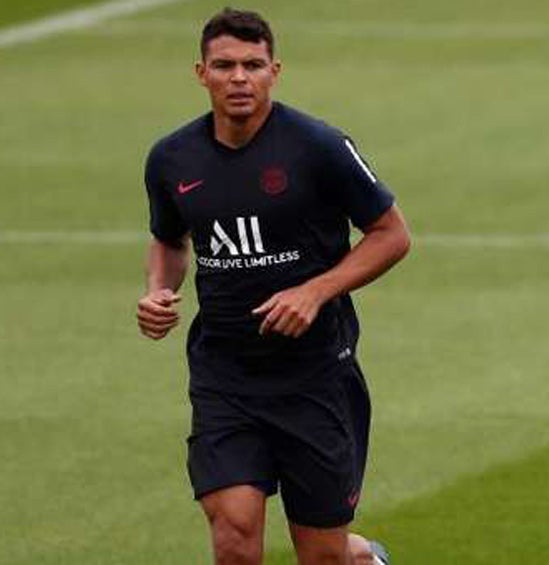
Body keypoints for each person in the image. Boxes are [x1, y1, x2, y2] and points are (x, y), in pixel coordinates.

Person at [135, 8, 409, 564]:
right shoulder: (171, 159)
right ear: (201, 72)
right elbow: (169, 240)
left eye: (253, 65)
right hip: (225, 375)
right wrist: (157, 291)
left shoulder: (319, 147)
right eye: (225, 65)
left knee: (323, 555)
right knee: (235, 535)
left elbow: (391, 235)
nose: (239, 78)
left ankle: (363, 558)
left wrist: (315, 291)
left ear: (274, 71)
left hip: (314, 377)